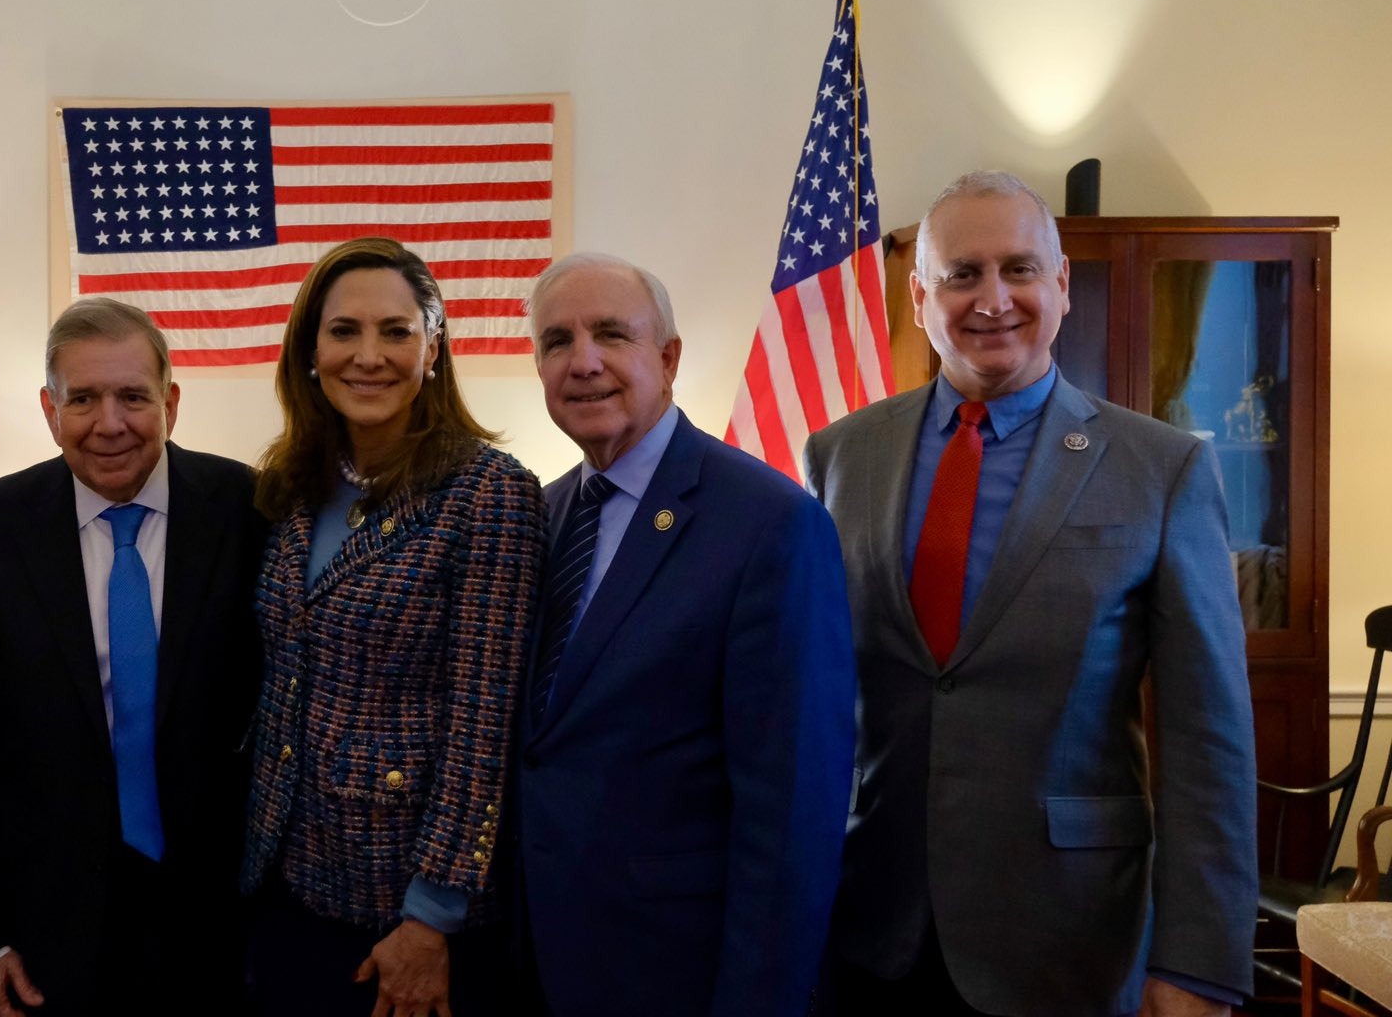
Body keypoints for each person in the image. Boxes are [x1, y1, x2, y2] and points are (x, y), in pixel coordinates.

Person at [804, 171, 1256, 1017]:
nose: (992, 299)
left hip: (1071, 941)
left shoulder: (1161, 469)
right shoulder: (841, 455)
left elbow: (1209, 740)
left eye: (1018, 269)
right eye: (962, 274)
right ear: (918, 296)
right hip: (870, 930)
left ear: (1061, 285)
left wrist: (1197, 963)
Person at [514, 252, 855, 1017]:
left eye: (611, 334)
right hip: (541, 962)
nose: (584, 362)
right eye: (557, 342)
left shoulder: (769, 524)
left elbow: (795, 811)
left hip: (683, 975)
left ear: (667, 359)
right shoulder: (540, 515)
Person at [0, 297, 265, 1015]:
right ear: (50, 410)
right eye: (82, 398)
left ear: (171, 403)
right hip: (44, 935)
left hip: (221, 925)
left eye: (133, 397)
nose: (109, 423)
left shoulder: (250, 509)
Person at [241, 237, 544, 1017]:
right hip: (284, 883)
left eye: (396, 331)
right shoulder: (291, 486)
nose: (367, 356)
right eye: (344, 331)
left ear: (433, 348)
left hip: (408, 915)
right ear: (311, 351)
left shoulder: (488, 493)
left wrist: (430, 915)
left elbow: (484, 723)